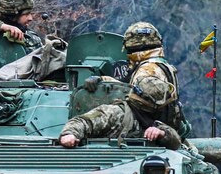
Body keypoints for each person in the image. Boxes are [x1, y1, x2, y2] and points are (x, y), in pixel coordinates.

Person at [59, 22, 190, 147]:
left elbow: (175, 139)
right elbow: (86, 121)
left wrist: (162, 133)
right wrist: (70, 134)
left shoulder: (157, 121)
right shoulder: (120, 114)